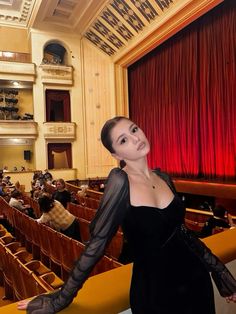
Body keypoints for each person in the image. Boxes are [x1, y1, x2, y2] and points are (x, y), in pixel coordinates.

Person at [18, 116, 236, 313]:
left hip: (195, 282)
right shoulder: (120, 181)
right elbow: (97, 244)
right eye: (123, 140)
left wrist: (221, 273)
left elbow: (184, 234)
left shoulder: (164, 178)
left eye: (134, 130)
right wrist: (60, 299)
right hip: (156, 292)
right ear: (116, 154)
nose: (135, 138)